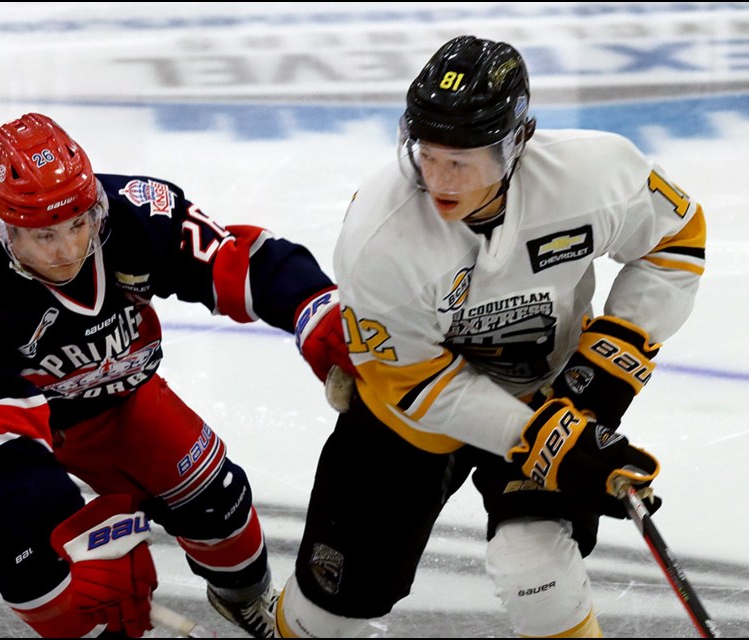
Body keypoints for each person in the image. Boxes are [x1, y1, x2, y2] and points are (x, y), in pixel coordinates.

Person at [0, 112, 354, 639]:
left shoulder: (136, 210)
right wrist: (76, 532)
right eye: (44, 235)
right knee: (30, 555)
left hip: (89, 385)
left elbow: (236, 260)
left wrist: (315, 308)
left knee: (217, 499)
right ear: (2, 229)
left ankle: (247, 604)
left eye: (78, 222)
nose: (69, 249)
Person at [274, 35, 706, 638]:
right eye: (427, 153)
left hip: (548, 389)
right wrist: (539, 440)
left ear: (515, 143)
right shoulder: (379, 234)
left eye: (464, 159)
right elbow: (417, 383)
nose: (441, 178)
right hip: (413, 418)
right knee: (328, 609)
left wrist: (608, 366)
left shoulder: (594, 174)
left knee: (541, 580)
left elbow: (675, 239)